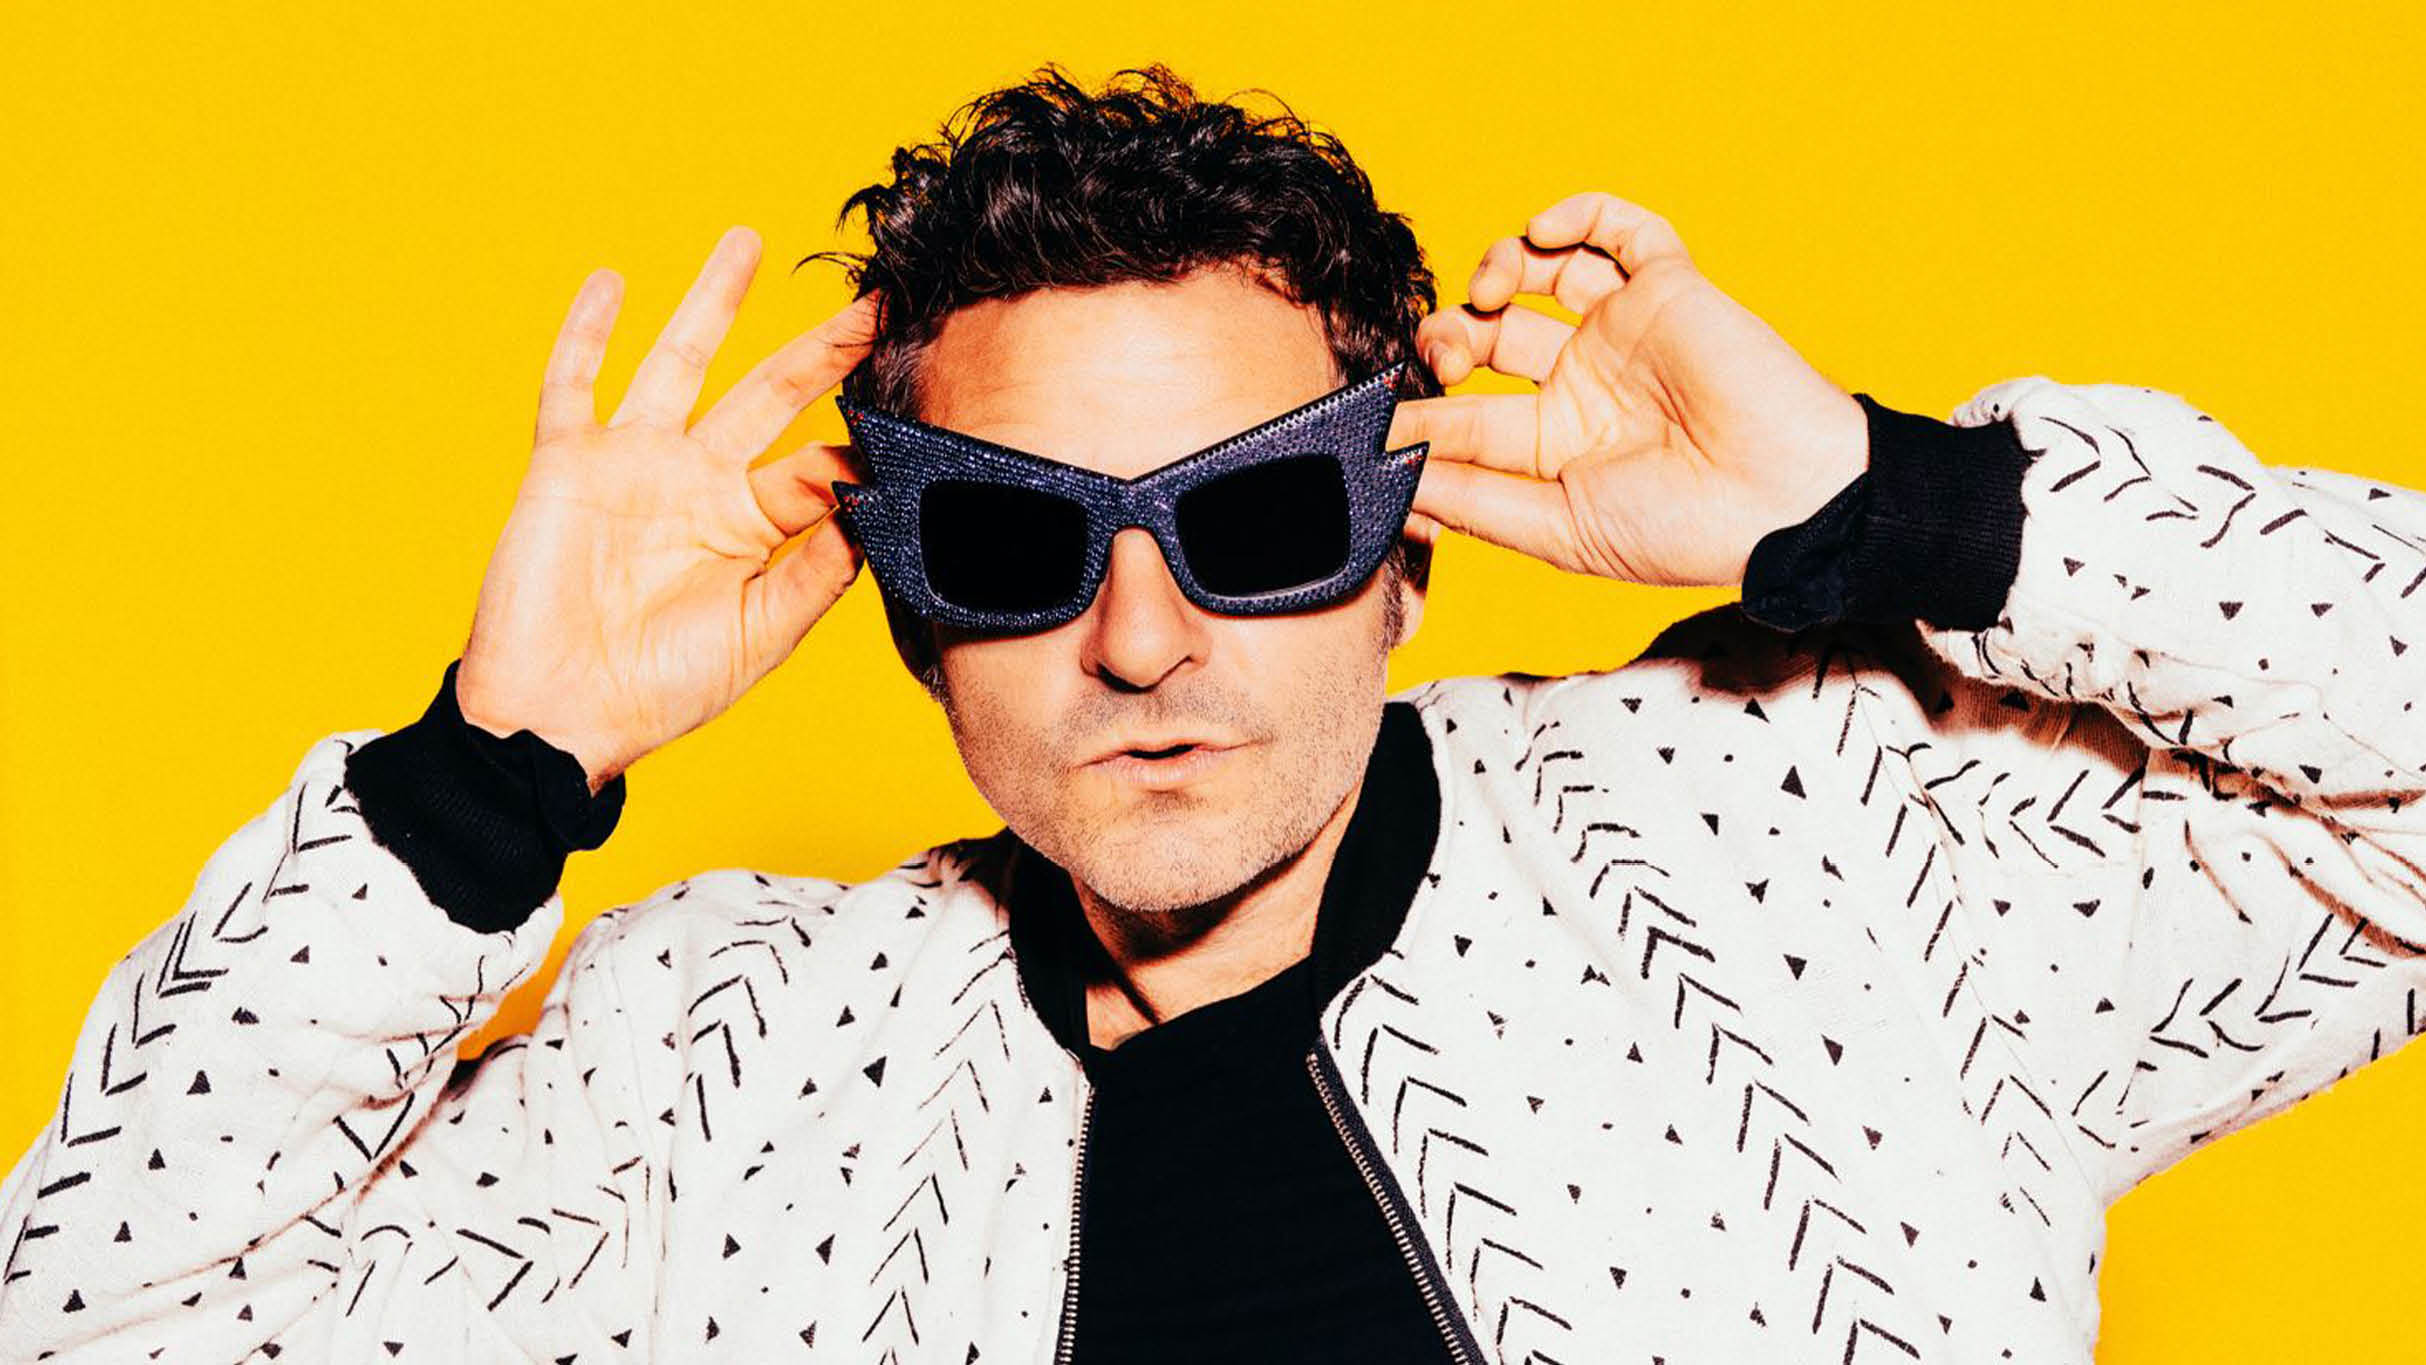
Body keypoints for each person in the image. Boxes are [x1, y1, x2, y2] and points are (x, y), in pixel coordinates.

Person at [4, 63, 2422, 1365]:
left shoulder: (1819, 841)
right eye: (1019, 543)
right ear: (907, 608)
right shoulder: (716, 1064)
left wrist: (1896, 508)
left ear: (1406, 546)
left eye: (1256, 517)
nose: (1143, 640)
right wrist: (480, 776)